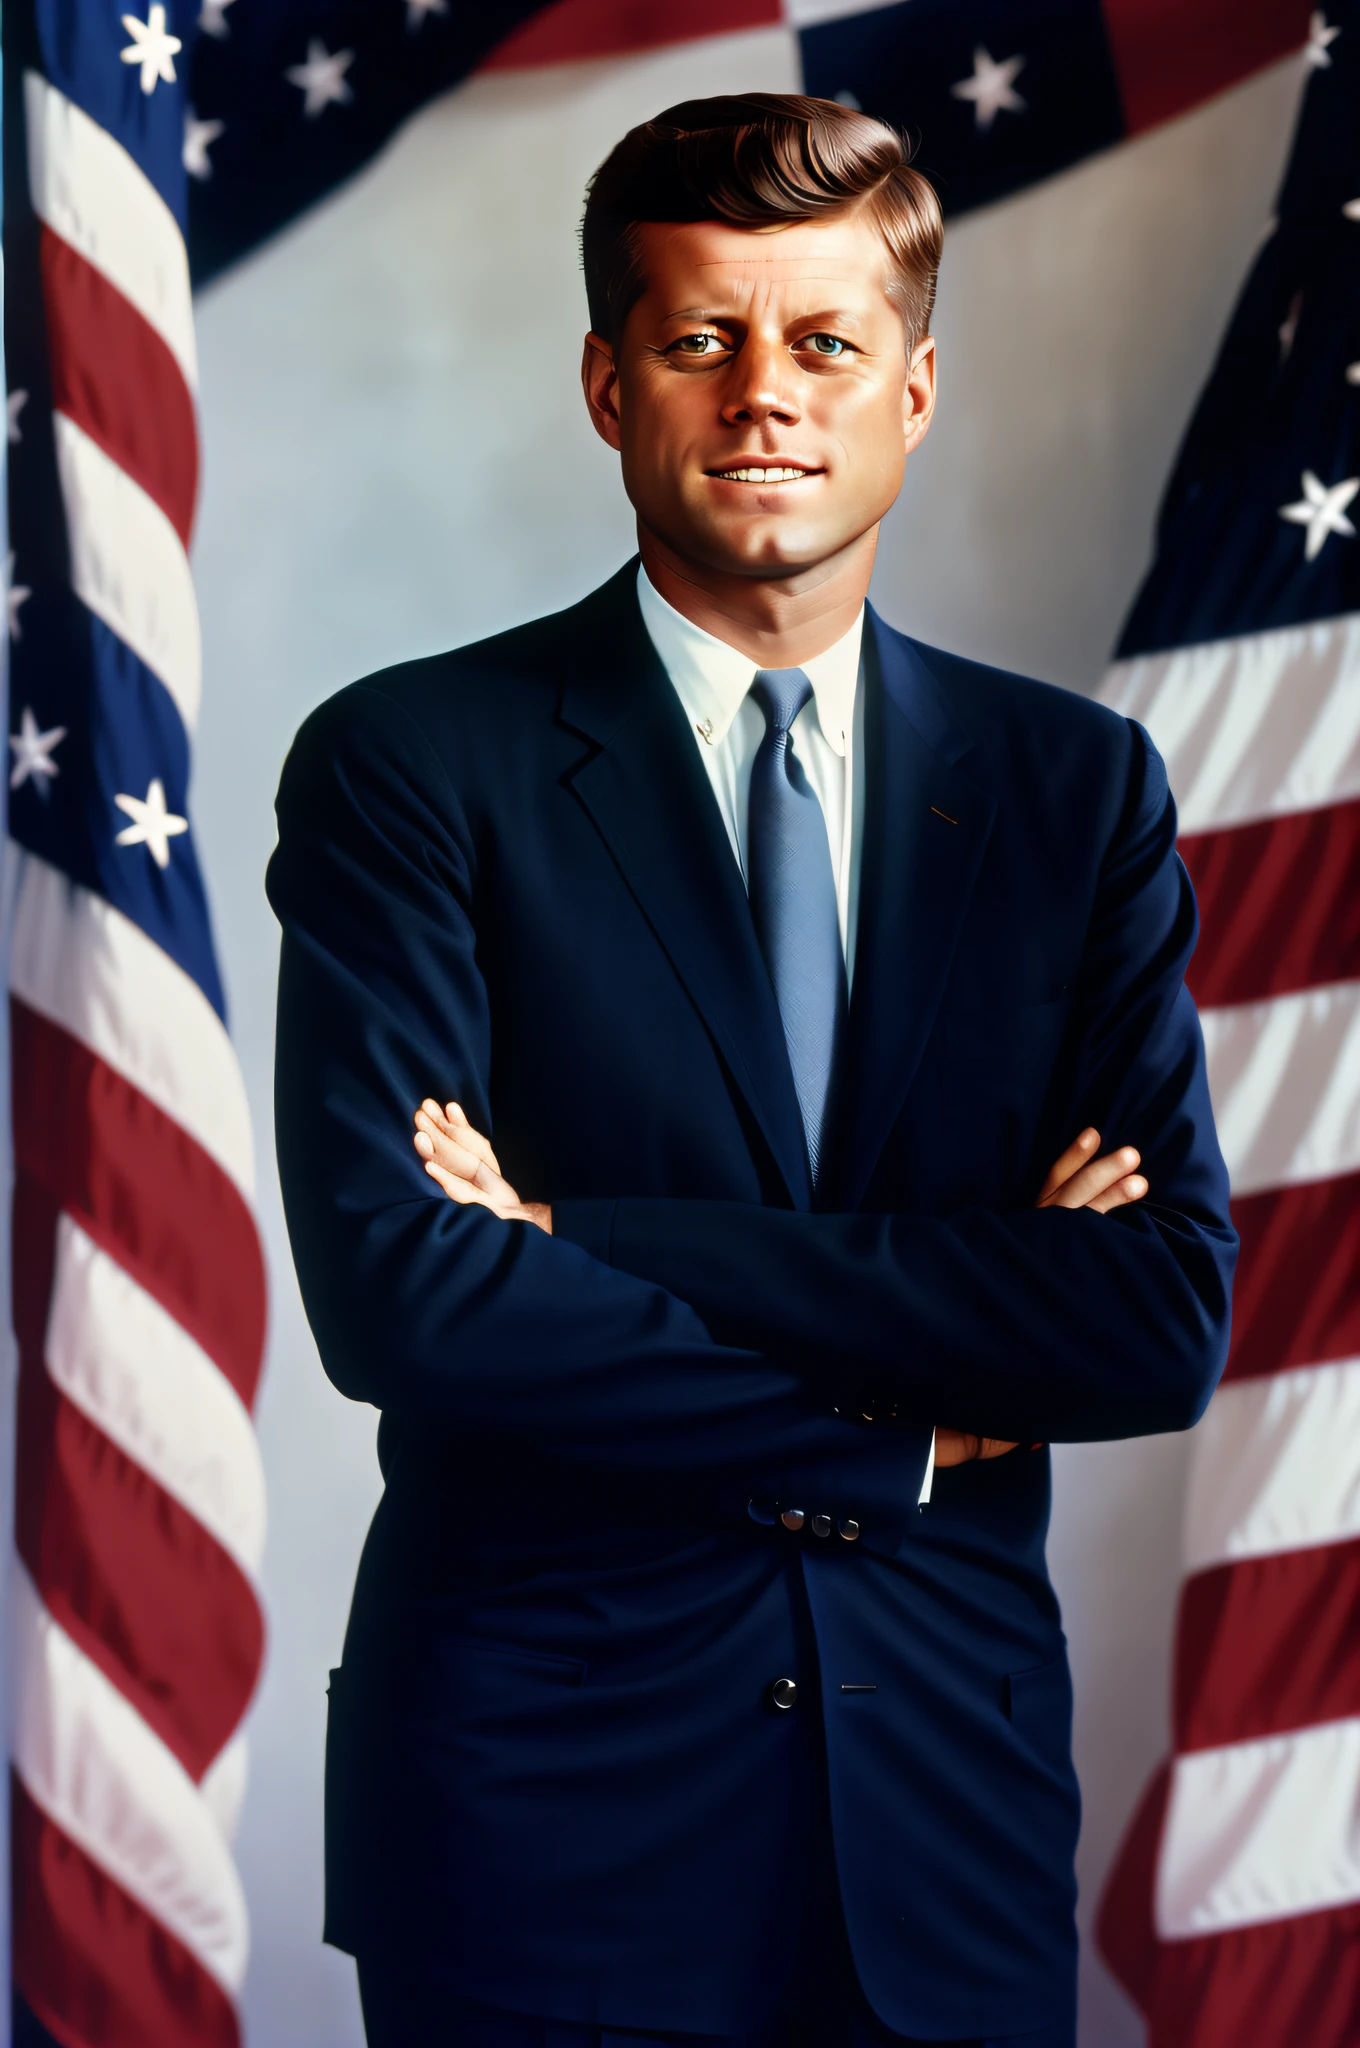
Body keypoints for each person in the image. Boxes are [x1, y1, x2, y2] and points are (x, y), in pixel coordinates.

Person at [267, 94, 1235, 2048]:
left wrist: (582, 1235)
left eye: (821, 343)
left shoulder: (1068, 796)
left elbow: (1142, 1317)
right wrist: (899, 1414)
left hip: (940, 1828)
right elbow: (412, 1296)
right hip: (544, 1825)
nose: (761, 398)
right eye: (700, 340)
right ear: (609, 386)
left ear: (916, 385)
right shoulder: (408, 767)